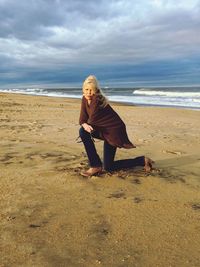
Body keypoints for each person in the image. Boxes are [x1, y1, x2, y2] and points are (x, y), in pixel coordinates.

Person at [78, 75, 154, 177]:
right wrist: (84, 124)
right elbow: (82, 119)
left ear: (96, 90)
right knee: (83, 130)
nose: (88, 92)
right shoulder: (84, 99)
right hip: (103, 129)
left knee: (109, 167)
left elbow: (93, 119)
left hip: (113, 131)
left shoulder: (97, 99)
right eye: (86, 89)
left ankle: (141, 160)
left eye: (91, 90)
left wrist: (86, 125)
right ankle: (95, 165)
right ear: (83, 89)